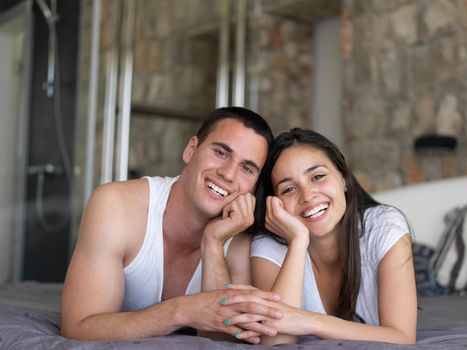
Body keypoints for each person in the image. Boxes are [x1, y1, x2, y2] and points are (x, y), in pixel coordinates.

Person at [61, 107, 284, 343]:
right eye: (220, 152)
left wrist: (213, 243)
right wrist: (182, 311)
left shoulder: (242, 237)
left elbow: (224, 341)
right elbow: (78, 326)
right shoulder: (116, 205)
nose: (228, 174)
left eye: (247, 168)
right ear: (190, 150)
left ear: (254, 186)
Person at [245, 128, 417, 345]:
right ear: (274, 203)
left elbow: (403, 338)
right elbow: (277, 342)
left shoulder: (383, 227)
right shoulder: (269, 245)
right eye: (288, 189)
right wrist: (298, 242)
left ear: (343, 178)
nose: (307, 196)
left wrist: (311, 322)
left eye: (317, 177)